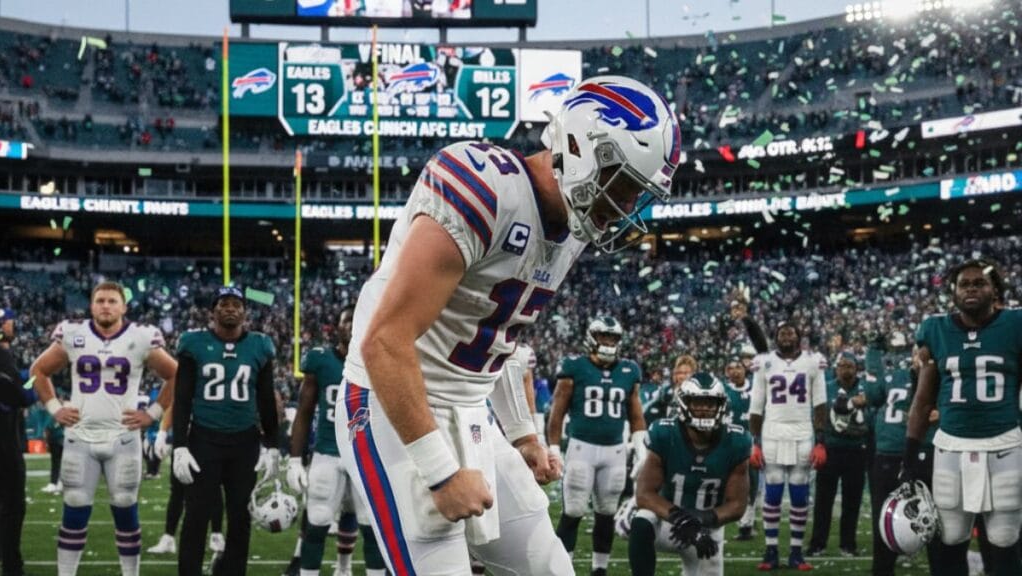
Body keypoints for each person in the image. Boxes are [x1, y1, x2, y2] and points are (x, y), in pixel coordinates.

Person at [335, 75, 680, 575]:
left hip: (469, 412)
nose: (626, 208)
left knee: (549, 568)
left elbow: (499, 337)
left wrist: (521, 432)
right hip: (392, 404)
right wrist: (439, 470)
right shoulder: (483, 187)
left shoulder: (571, 228)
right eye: (624, 186)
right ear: (581, 148)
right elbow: (385, 341)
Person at [31, 282, 177, 576]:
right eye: (100, 300)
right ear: (91, 305)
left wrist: (153, 413)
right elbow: (38, 370)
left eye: (112, 301)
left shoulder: (142, 337)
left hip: (123, 438)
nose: (106, 305)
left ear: (124, 307)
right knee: (73, 509)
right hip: (80, 437)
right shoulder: (73, 335)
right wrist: (54, 408)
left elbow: (176, 375)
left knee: (125, 508)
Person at [904, 258, 1022, 576]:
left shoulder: (1015, 324)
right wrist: (910, 451)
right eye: (963, 284)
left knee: (1004, 536)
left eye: (979, 282)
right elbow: (923, 397)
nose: (970, 288)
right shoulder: (935, 329)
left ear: (995, 289)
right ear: (953, 293)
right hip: (951, 444)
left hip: (1006, 441)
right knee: (950, 535)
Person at [172, 286, 279, 576]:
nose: (230, 308)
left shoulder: (259, 345)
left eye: (236, 304)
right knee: (196, 515)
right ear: (213, 311)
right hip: (203, 439)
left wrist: (272, 444)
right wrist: (179, 444)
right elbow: (181, 398)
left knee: (240, 517)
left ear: (245, 312)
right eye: (224, 304)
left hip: (244, 441)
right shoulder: (194, 343)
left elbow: (266, 399)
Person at [285, 305, 385, 576]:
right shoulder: (320, 360)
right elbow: (304, 413)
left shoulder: (383, 360)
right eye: (347, 320)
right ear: (337, 327)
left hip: (367, 455)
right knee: (316, 523)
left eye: (358, 319)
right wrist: (295, 459)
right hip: (327, 453)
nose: (352, 326)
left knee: (373, 528)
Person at [546, 316, 647, 576]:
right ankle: (563, 569)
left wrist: (641, 451)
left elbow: (636, 415)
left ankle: (599, 570)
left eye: (613, 338)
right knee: (573, 511)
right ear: (592, 338)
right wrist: (554, 449)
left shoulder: (629, 370)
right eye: (604, 337)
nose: (609, 343)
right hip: (582, 448)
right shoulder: (574, 367)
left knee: (606, 513)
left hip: (614, 451)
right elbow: (557, 413)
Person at [627, 372, 751, 576]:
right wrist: (680, 518)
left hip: (707, 529)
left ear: (720, 406)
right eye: (697, 403)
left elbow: (737, 505)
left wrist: (701, 518)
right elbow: (644, 494)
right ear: (684, 404)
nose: (703, 410)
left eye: (710, 404)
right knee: (641, 521)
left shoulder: (736, 441)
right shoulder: (665, 434)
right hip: (666, 520)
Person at [748, 322, 828, 571]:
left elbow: (820, 403)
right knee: (771, 494)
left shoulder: (813, 362)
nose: (786, 335)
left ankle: (795, 552)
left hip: (803, 432)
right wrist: (755, 443)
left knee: (799, 495)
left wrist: (821, 442)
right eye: (782, 332)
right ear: (775, 337)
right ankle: (771, 550)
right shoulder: (764, 362)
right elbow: (756, 404)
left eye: (790, 331)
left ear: (799, 336)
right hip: (772, 432)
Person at [858, 344, 940, 575]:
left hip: (924, 451)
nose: (918, 358)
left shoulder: (939, 377)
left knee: (934, 517)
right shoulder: (897, 376)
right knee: (885, 516)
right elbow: (873, 396)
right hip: (890, 453)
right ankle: (883, 569)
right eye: (916, 352)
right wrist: (873, 353)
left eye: (923, 353)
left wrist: (940, 411)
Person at [806, 352, 869, 557]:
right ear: (836, 368)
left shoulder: (865, 387)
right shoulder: (827, 386)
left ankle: (848, 544)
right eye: (842, 365)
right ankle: (818, 543)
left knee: (852, 501)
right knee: (823, 501)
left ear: (856, 368)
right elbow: (818, 416)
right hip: (831, 449)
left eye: (849, 365)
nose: (845, 369)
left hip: (856, 449)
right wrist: (819, 443)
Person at [146, 406, 225, 561]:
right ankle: (168, 538)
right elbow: (174, 404)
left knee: (214, 487)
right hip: (183, 440)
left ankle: (216, 535)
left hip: (208, 438)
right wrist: (162, 432)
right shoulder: (186, 382)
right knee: (177, 490)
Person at [0, 308, 29, 576]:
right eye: (9, 321)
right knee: (13, 503)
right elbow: (17, 395)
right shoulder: (2, 355)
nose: (13, 325)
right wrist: (34, 385)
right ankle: (11, 564)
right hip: (3, 441)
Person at [722, 356, 759, 542]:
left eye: (738, 367)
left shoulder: (756, 388)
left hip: (751, 443)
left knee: (751, 485)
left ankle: (747, 524)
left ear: (745, 369)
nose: (735, 371)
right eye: (731, 368)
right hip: (727, 444)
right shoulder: (722, 390)